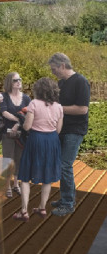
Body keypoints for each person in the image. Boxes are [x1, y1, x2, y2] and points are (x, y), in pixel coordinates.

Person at [13, 77, 63, 221]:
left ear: (38, 90)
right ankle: (42, 208)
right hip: (52, 141)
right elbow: (58, 129)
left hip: (36, 140)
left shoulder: (34, 104)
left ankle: (24, 211)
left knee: (25, 176)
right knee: (47, 177)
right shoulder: (59, 107)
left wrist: (22, 123)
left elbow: (27, 126)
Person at [48, 53, 90, 217]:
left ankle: (67, 204)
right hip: (61, 129)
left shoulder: (81, 81)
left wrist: (57, 108)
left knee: (65, 165)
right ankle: (68, 197)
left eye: (54, 69)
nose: (53, 72)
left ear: (62, 66)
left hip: (75, 130)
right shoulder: (61, 83)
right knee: (61, 164)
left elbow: (82, 109)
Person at [0, 72, 31, 198]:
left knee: (19, 159)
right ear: (9, 83)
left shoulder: (27, 98)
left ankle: (16, 184)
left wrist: (18, 124)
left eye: (20, 79)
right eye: (15, 80)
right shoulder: (4, 96)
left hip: (21, 134)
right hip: (7, 133)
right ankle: (7, 186)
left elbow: (29, 114)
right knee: (8, 159)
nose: (19, 82)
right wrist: (18, 120)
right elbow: (4, 112)